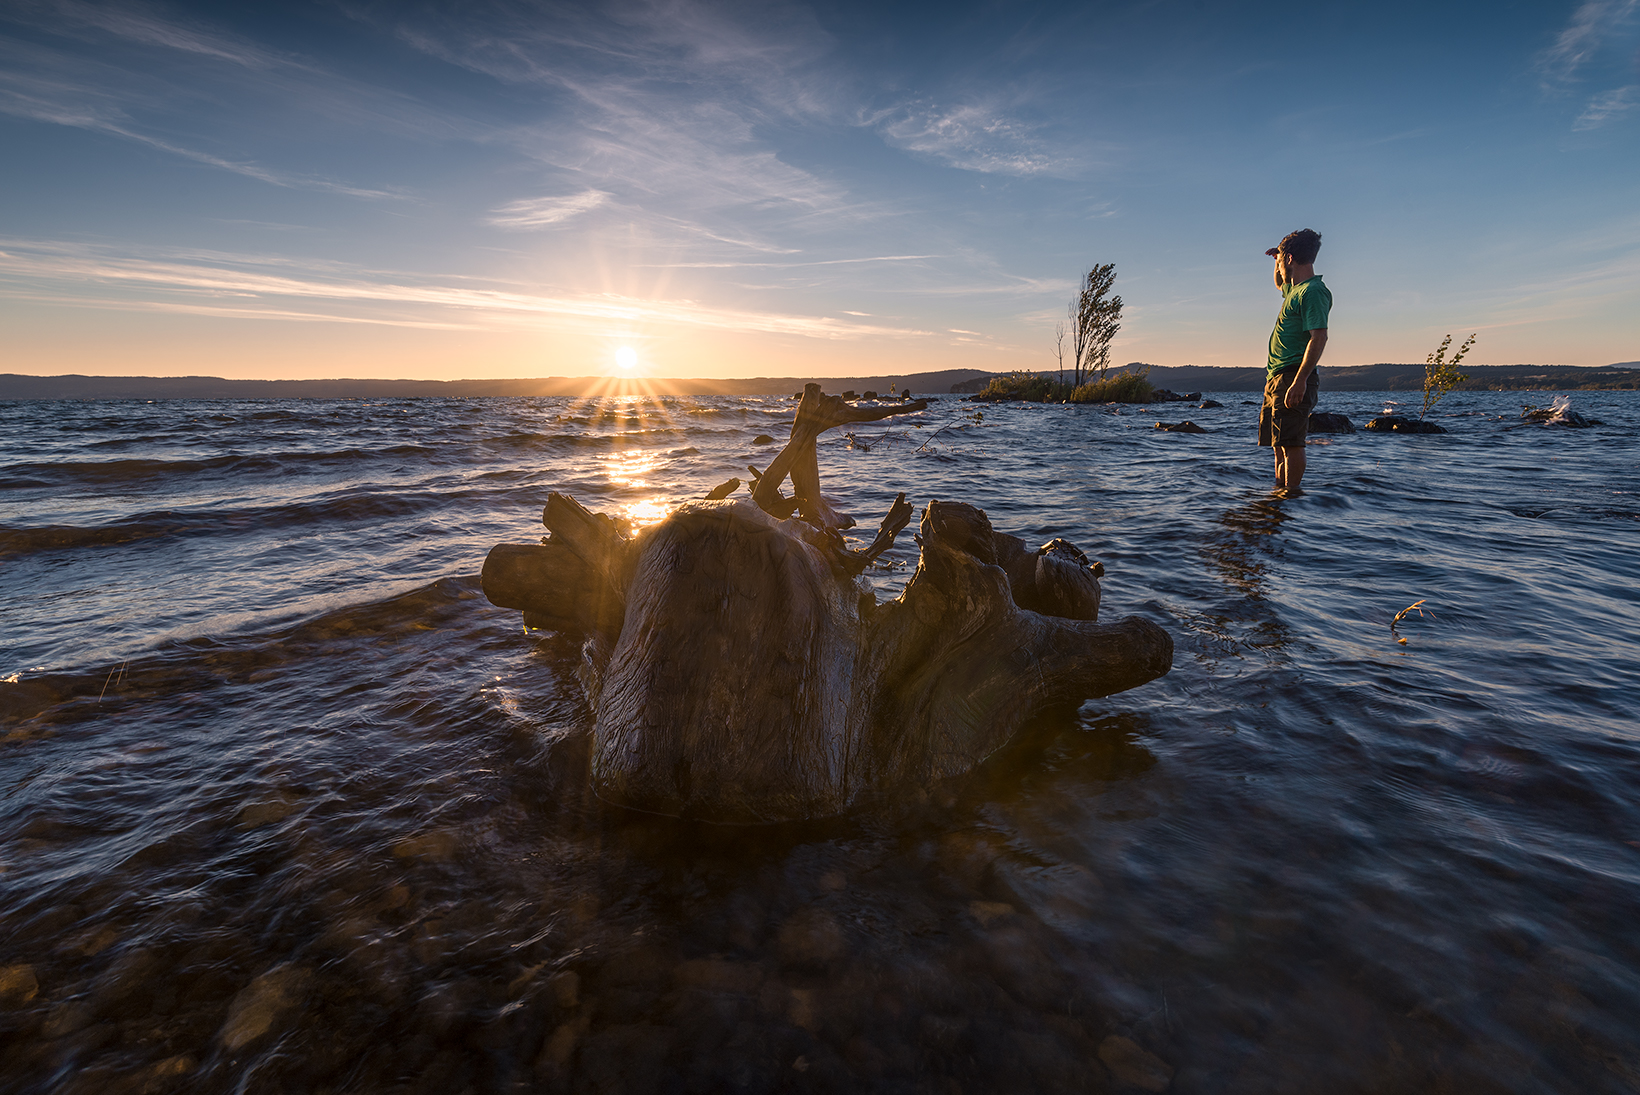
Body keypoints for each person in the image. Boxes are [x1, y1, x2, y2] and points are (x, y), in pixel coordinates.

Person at [1258, 228, 1330, 493]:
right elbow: (1280, 282)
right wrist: (1277, 259)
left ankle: (1291, 500)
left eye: (1281, 260)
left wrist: (1300, 381)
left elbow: (1319, 337)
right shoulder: (1294, 290)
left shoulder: (1312, 291)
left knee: (1291, 445)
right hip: (1276, 377)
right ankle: (1278, 497)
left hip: (1293, 376)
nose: (1279, 267)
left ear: (1290, 259)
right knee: (1278, 445)